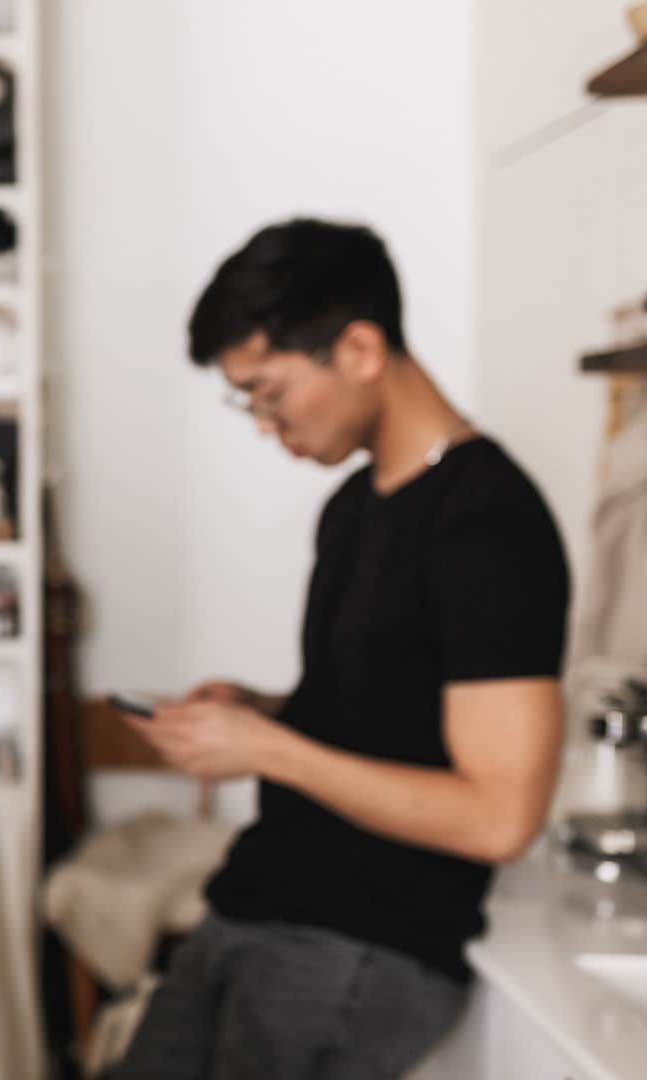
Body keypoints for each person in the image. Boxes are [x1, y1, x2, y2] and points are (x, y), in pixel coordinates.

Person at [114, 218, 570, 1079]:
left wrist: (267, 750)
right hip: (258, 901)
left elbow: (499, 815)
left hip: (363, 944)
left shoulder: (489, 523)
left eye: (270, 393)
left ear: (359, 349)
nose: (262, 423)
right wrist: (258, 710)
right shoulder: (354, 507)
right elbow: (390, 705)